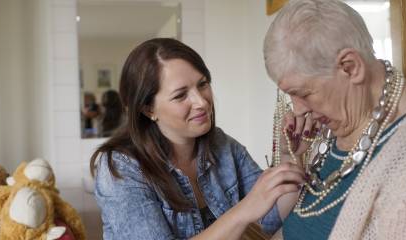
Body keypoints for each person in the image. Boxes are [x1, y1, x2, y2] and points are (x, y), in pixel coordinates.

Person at [90, 38, 306, 239]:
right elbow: (251, 210)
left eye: (202, 84)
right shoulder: (120, 169)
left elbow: (267, 219)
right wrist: (244, 210)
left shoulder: (222, 145)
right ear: (148, 109)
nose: (201, 102)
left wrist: (291, 157)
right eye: (180, 95)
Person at [263, 0, 406, 239]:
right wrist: (293, 159)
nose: (298, 109)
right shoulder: (334, 126)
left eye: (303, 94)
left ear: (350, 67)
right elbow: (302, 223)